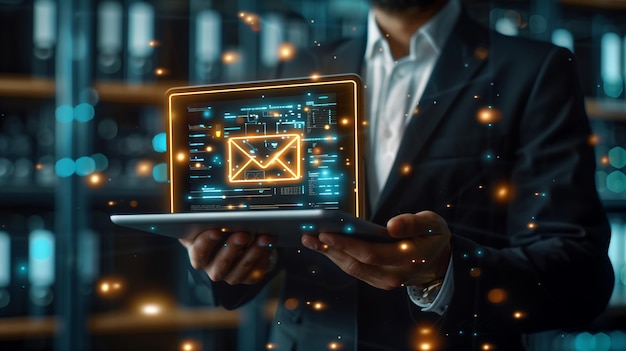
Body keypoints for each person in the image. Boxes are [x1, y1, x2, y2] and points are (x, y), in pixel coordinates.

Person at [179, 0, 615, 349]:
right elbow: (266, 226)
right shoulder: (296, 71)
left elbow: (580, 276)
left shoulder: (533, 71)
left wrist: (442, 271)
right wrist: (232, 258)